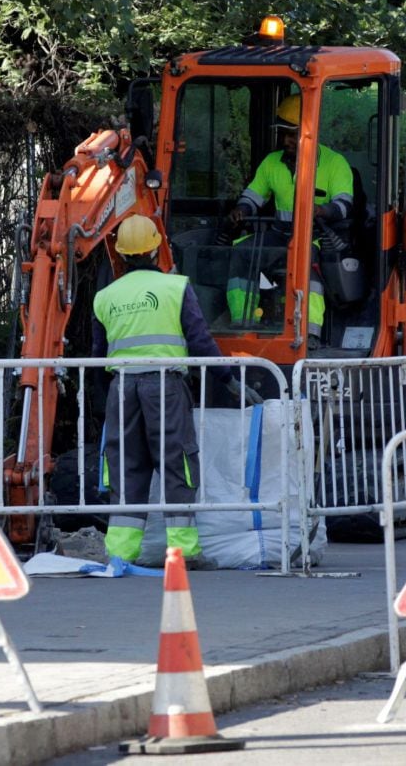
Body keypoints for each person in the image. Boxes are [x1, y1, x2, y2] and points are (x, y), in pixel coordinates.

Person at [92, 214, 263, 569]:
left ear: (121, 255)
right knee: (177, 464)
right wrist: (228, 380)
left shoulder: (105, 296)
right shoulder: (176, 288)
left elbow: (96, 357)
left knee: (125, 467)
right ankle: (182, 553)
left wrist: (100, 400)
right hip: (164, 387)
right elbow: (201, 340)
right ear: (156, 249)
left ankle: (121, 554)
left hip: (121, 389)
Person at [225, 93, 354, 346]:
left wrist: (322, 211)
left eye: (292, 134)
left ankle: (310, 333)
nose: (286, 140)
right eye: (283, 133)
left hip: (316, 237)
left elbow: (344, 205)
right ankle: (243, 323)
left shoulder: (334, 163)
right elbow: (253, 196)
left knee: (307, 263)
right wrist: (242, 209)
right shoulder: (271, 163)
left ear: (309, 132)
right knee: (240, 252)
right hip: (278, 236)